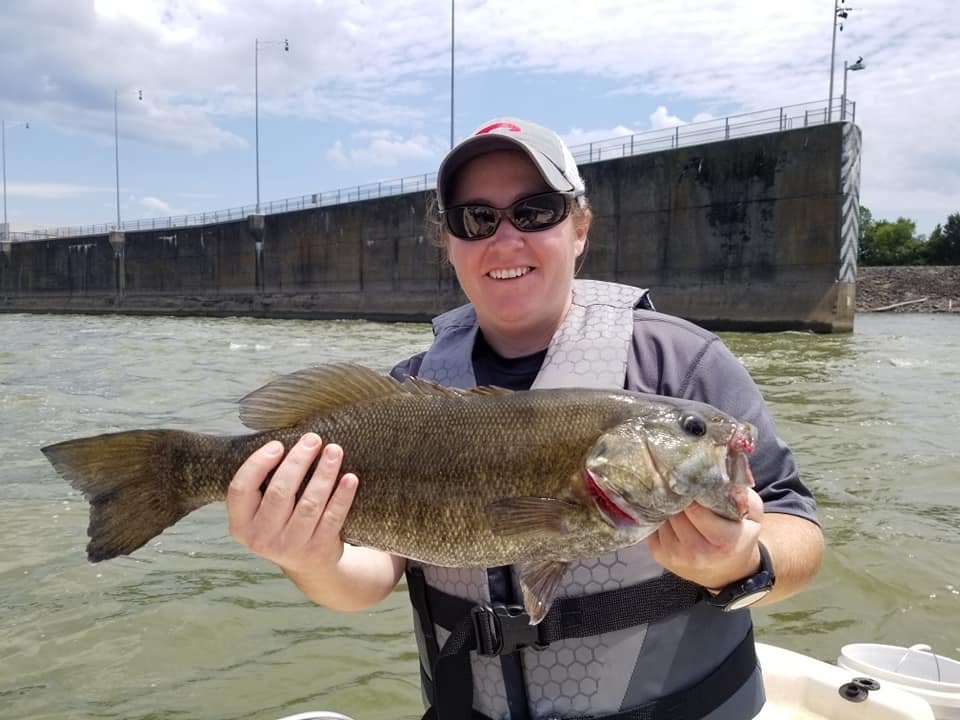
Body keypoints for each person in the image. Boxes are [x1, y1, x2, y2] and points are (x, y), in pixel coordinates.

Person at [226, 117, 824, 720]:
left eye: (536, 212)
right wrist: (307, 558)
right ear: (449, 242)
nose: (505, 238)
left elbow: (798, 529)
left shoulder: (682, 364)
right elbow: (370, 575)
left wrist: (741, 563)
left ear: (580, 228)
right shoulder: (402, 396)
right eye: (476, 219)